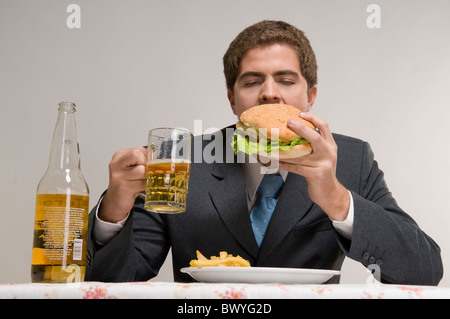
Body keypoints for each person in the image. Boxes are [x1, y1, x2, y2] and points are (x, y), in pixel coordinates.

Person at [85, 20, 443, 285]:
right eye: (252, 81)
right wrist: (114, 211)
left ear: (310, 96)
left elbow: (424, 272)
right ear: (232, 98)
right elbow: (113, 284)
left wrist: (337, 200)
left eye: (286, 80)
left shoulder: (349, 158)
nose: (270, 93)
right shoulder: (183, 159)